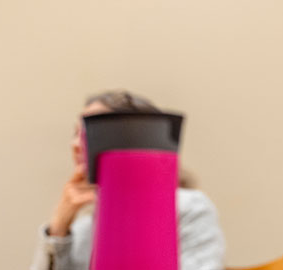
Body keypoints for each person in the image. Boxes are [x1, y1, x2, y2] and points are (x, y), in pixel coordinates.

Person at [30, 90, 225, 270]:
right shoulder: (84, 230)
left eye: (89, 133)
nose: (75, 145)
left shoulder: (188, 207)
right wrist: (58, 228)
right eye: (76, 133)